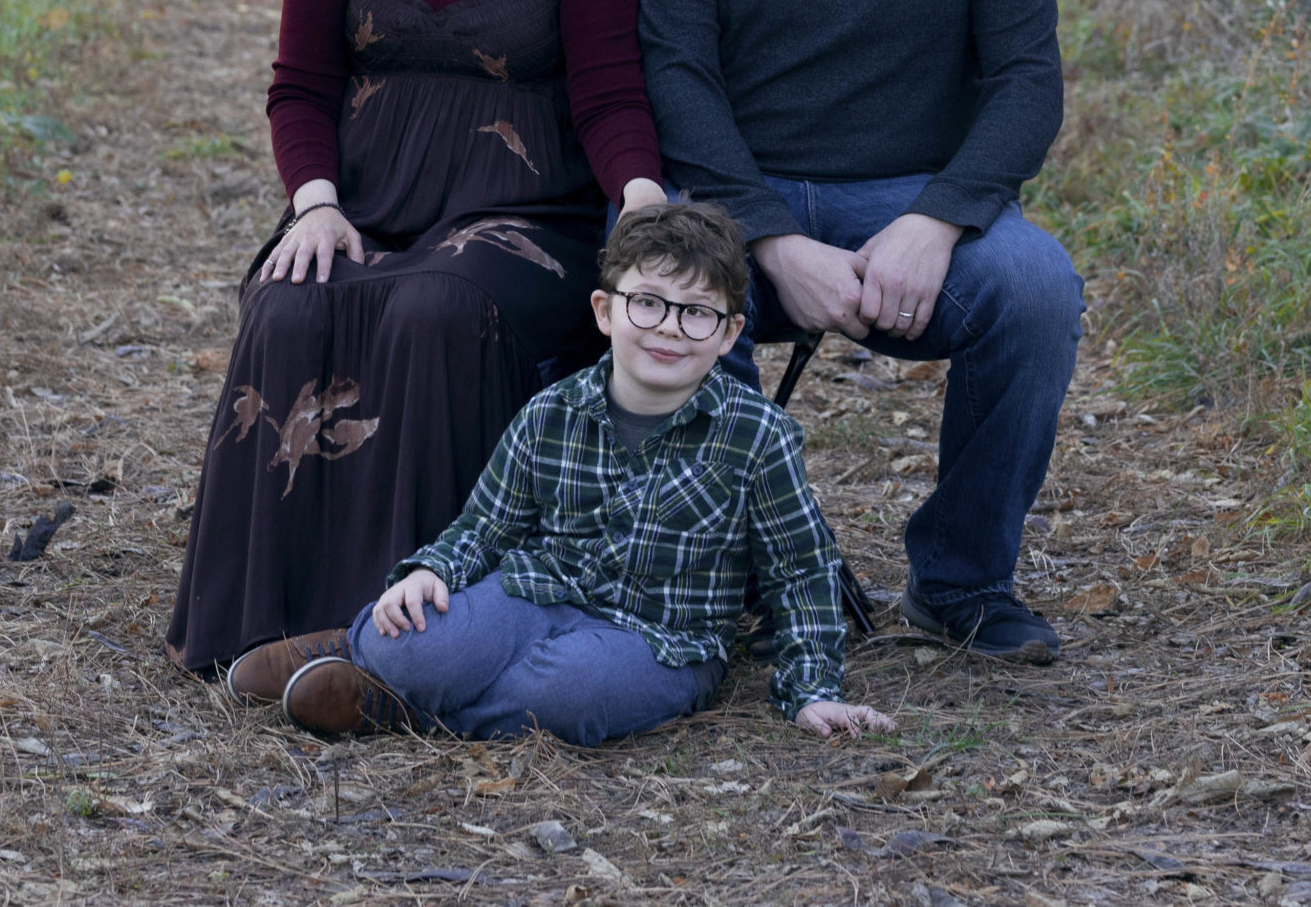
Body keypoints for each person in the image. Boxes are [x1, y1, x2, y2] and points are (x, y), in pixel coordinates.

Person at [165, 0, 669, 698]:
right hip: (365, 203)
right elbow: (299, 86)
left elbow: (611, 93)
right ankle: (260, 619)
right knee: (290, 304)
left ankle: (397, 640)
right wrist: (313, 201)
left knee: (436, 309)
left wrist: (645, 199)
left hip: (523, 215)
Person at [628, 0, 1084, 665]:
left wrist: (937, 220)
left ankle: (962, 579)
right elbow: (676, 74)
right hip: (736, 195)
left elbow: (1027, 78)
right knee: (672, 286)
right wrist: (771, 239)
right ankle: (746, 574)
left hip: (909, 192)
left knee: (1034, 286)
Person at [277, 203, 895, 745]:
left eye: (697, 314)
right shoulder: (553, 411)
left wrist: (812, 688)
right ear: (605, 310)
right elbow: (486, 528)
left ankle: (393, 705)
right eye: (647, 303)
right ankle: (365, 652)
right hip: (539, 594)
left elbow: (799, 570)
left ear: (730, 331)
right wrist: (431, 570)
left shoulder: (758, 436)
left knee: (569, 694)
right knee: (406, 641)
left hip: (660, 638)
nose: (669, 329)